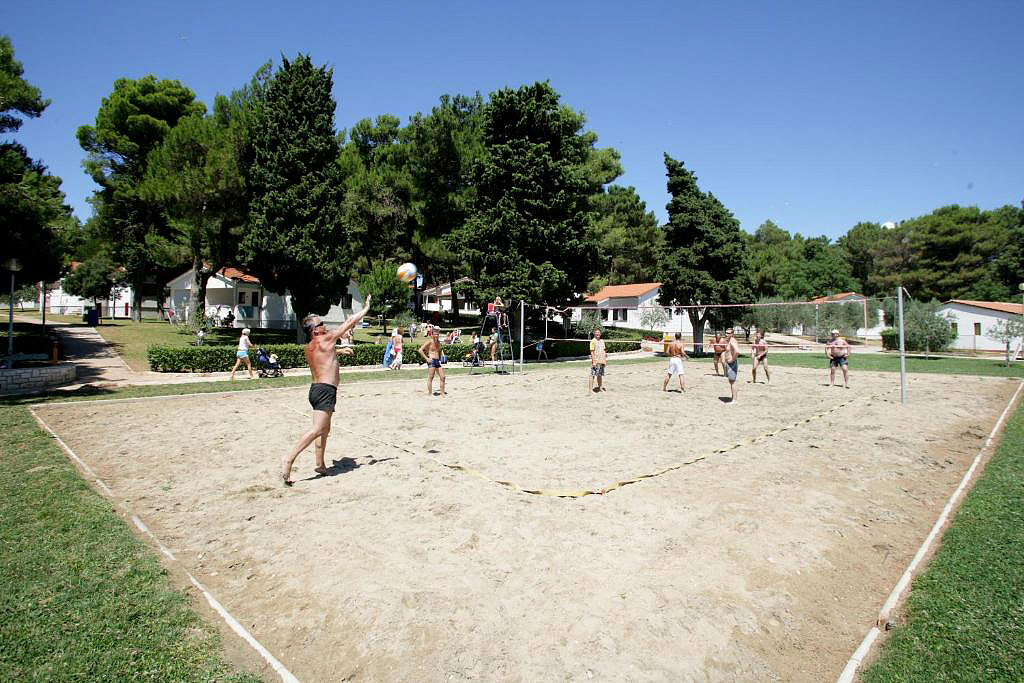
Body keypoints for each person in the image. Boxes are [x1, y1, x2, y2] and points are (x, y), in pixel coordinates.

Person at [281, 296, 372, 486]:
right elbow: (349, 321)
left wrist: (340, 351)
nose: (324, 324)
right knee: (317, 429)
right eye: (321, 323)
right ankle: (288, 459)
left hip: (315, 390)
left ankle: (320, 465)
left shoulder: (310, 346)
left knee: (325, 429)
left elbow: (323, 354)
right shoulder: (327, 338)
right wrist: (365, 308)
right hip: (325, 390)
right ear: (315, 330)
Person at [418, 327, 447, 396]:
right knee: (431, 377)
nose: (436, 335)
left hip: (437, 361)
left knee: (443, 377)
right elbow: (420, 350)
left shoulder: (438, 342)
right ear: (432, 334)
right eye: (435, 333)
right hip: (431, 360)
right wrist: (427, 358)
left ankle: (442, 392)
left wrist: (440, 358)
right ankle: (430, 393)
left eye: (437, 333)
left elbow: (439, 350)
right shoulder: (429, 342)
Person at [723, 327, 740, 403]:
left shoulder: (733, 341)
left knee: (733, 381)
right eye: (726, 333)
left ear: (732, 334)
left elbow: (737, 351)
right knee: (731, 381)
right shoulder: (729, 341)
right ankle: (733, 398)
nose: (726, 334)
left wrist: (732, 360)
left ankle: (734, 400)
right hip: (729, 363)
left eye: (728, 333)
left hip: (732, 363)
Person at [589, 328, 607, 393]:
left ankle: (600, 388)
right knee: (592, 375)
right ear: (594, 333)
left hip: (601, 361)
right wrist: (594, 361)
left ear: (600, 333)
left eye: (598, 332)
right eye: (596, 332)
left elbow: (604, 351)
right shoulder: (593, 341)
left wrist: (604, 360)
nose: (597, 333)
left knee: (600, 375)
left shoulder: (602, 341)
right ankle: (590, 390)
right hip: (595, 361)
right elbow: (592, 352)